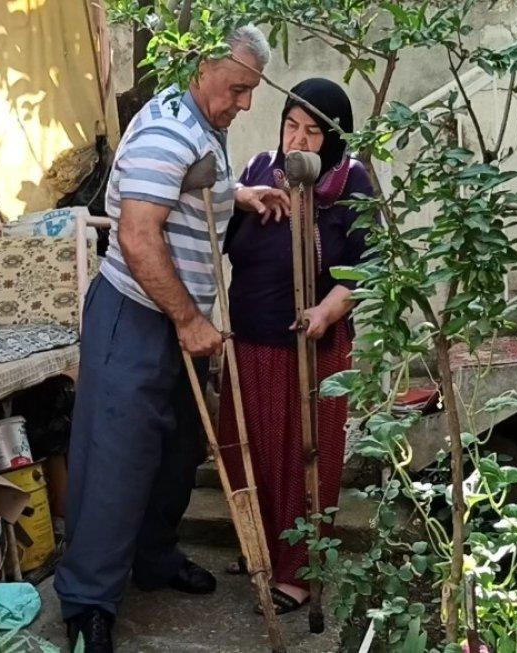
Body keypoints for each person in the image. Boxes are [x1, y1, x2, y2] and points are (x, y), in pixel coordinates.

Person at [53, 25, 290, 653]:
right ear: (206, 68)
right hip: (137, 313)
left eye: (251, 93)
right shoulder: (166, 130)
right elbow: (138, 236)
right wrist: (189, 320)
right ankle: (88, 601)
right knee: (118, 456)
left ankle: (153, 558)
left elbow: (190, 190)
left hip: (180, 316)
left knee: (175, 452)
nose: (244, 104)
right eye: (238, 88)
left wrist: (236, 195)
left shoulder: (202, 124)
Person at [218, 78, 373, 614]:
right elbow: (226, 232)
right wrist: (239, 202)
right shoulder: (260, 169)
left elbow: (368, 265)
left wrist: (329, 309)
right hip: (249, 339)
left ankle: (298, 573)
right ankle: (259, 548)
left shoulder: (352, 183)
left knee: (303, 457)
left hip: (310, 346)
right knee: (250, 449)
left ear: (333, 137)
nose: (299, 141)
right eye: (291, 125)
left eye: (312, 132)